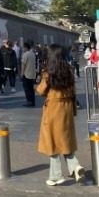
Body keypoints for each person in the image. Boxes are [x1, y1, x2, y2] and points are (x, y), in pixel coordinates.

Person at [37, 44, 85, 186]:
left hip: (53, 107)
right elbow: (74, 92)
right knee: (65, 140)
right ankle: (74, 167)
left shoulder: (48, 73)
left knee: (52, 142)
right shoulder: (69, 71)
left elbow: (41, 91)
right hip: (67, 108)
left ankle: (56, 175)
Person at [21, 41, 37, 107]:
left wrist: (22, 73)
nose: (23, 49)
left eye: (23, 47)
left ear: (26, 47)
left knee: (27, 89)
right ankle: (32, 101)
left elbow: (23, 65)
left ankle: (29, 101)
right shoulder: (33, 54)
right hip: (32, 74)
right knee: (31, 89)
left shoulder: (25, 54)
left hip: (26, 74)